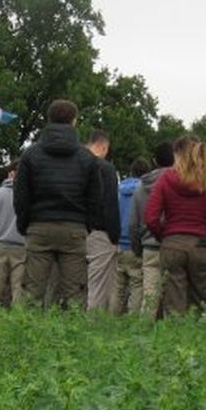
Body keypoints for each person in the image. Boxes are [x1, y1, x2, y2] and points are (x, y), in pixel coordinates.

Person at [15, 99, 100, 311]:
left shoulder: (30, 155)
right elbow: (95, 198)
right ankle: (71, 340)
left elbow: (20, 197)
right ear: (74, 121)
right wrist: (86, 225)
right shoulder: (87, 158)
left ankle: (26, 337)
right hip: (74, 228)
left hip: (38, 227)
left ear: (48, 120)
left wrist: (25, 225)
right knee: (74, 295)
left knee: (32, 294)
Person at [144, 136, 206, 315]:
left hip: (172, 244)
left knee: (174, 304)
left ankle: (176, 340)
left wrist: (165, 235)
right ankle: (204, 338)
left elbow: (151, 217)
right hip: (201, 246)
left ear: (177, 155)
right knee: (204, 303)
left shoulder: (166, 179)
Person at [129, 141, 175, 318]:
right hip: (173, 244)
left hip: (149, 247)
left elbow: (133, 223)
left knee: (149, 298)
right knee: (173, 298)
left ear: (154, 161)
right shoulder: (179, 181)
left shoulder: (141, 187)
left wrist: (137, 248)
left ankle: (143, 337)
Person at [84, 130, 120, 311]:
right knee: (98, 285)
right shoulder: (105, 168)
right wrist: (114, 236)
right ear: (103, 146)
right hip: (99, 231)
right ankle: (93, 328)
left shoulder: (76, 162)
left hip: (75, 229)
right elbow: (110, 204)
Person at [0, 165, 27, 309]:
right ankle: (17, 322)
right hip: (22, 246)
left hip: (1, 245)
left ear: (10, 174)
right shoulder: (27, 194)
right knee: (18, 289)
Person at [112, 158, 150, 314]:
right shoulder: (144, 191)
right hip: (136, 245)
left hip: (119, 245)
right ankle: (132, 322)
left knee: (118, 286)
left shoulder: (119, 190)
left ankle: (111, 321)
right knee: (136, 285)